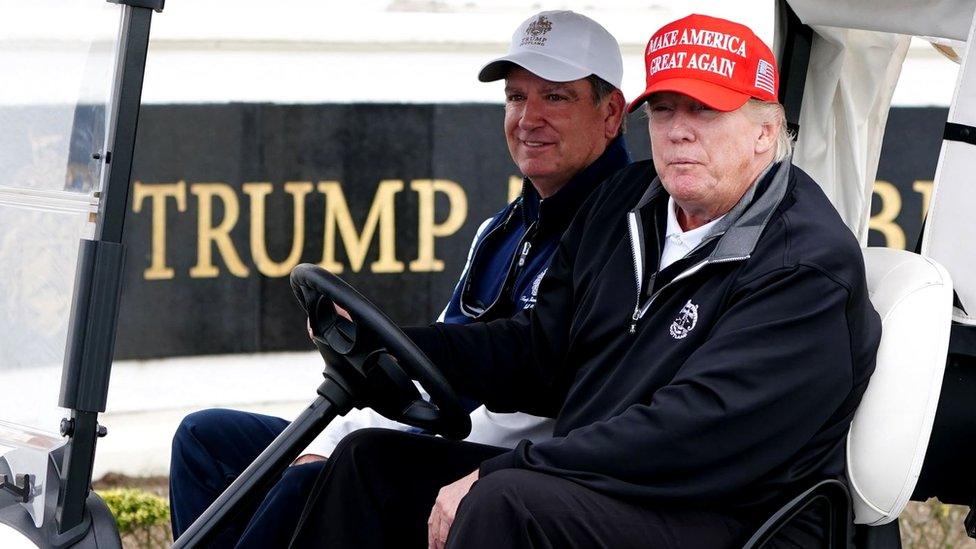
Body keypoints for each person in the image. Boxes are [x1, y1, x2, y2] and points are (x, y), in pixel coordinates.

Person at [291, 13, 882, 549]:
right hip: (613, 486)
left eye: (705, 110)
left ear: (764, 131)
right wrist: (406, 343)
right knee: (369, 460)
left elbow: (693, 432)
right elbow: (538, 352)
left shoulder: (801, 262)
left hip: (734, 514)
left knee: (504, 502)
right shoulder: (626, 204)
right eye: (666, 109)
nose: (678, 131)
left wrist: (511, 467)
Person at [168, 10, 630, 547]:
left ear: (611, 113)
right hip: (424, 437)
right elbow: (432, 357)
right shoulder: (502, 230)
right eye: (515, 97)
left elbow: (527, 374)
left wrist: (345, 440)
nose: (527, 118)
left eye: (555, 97)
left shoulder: (618, 232)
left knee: (317, 478)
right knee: (205, 438)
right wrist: (341, 426)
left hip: (512, 468)